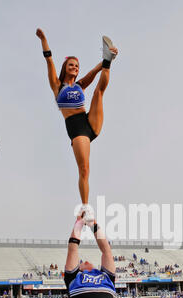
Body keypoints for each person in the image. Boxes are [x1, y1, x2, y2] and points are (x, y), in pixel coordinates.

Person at [36, 28, 118, 219]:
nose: (75, 67)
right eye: (71, 65)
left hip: (90, 121)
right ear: (66, 67)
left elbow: (92, 73)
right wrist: (44, 39)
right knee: (84, 168)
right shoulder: (58, 86)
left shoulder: (80, 84)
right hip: (76, 127)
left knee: (98, 92)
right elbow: (49, 60)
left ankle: (107, 60)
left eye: (77, 65)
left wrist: (107, 60)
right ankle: (85, 206)